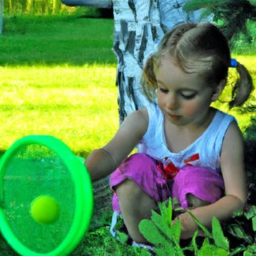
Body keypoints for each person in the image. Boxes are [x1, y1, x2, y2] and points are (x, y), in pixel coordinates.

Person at [85, 22, 253, 246]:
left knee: (195, 177)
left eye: (186, 94)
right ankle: (144, 243)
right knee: (133, 168)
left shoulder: (224, 132)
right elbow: (110, 154)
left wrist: (194, 220)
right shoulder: (145, 120)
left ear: (215, 90)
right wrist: (82, 173)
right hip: (144, 218)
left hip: (194, 224)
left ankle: (190, 245)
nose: (170, 103)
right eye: (163, 89)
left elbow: (236, 198)